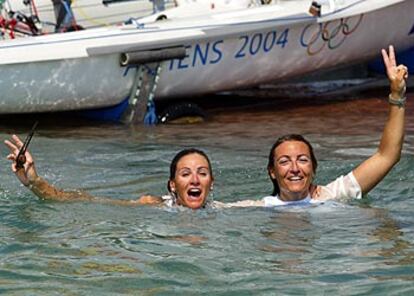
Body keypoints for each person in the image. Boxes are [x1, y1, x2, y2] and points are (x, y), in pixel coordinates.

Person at [4, 140, 214, 209]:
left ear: (211, 183)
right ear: (173, 185)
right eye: (186, 174)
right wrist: (33, 181)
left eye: (202, 173)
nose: (195, 179)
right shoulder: (152, 204)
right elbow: (80, 200)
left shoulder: (228, 210)